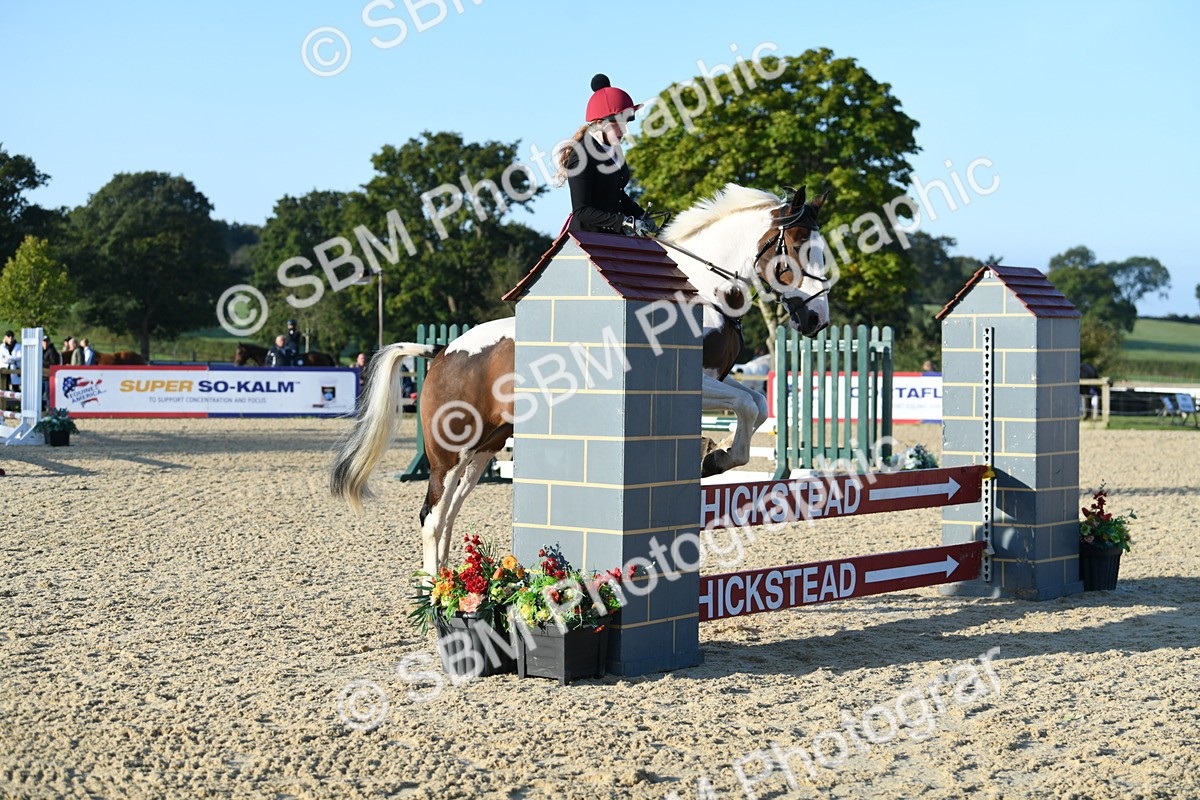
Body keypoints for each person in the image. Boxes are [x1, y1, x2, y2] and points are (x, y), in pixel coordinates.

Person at [557, 74, 659, 237]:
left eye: (625, 123)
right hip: (589, 239)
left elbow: (615, 194)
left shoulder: (614, 150)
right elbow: (581, 210)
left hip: (615, 237)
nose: (623, 130)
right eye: (617, 124)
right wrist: (623, 222)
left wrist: (640, 215)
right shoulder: (581, 156)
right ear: (599, 123)